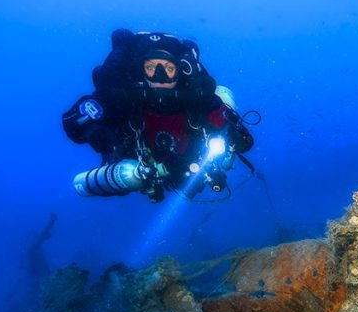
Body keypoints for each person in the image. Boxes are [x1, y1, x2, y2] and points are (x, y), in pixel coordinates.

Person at [62, 28, 254, 203]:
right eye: (152, 68)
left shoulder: (200, 103)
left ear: (180, 72)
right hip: (136, 170)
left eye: (169, 69)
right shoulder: (121, 101)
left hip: (188, 170)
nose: (160, 76)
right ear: (141, 71)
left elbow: (246, 141)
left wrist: (234, 136)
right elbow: (71, 121)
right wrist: (93, 131)